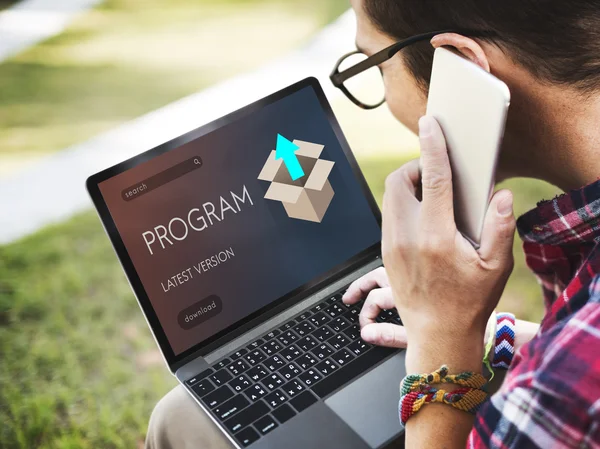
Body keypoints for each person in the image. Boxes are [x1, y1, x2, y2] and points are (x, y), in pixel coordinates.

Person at [146, 0, 600, 447]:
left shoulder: (567, 393)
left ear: (464, 69)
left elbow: (569, 376)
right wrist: (481, 333)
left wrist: (441, 345)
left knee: (177, 421)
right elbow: (567, 350)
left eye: (374, 66)